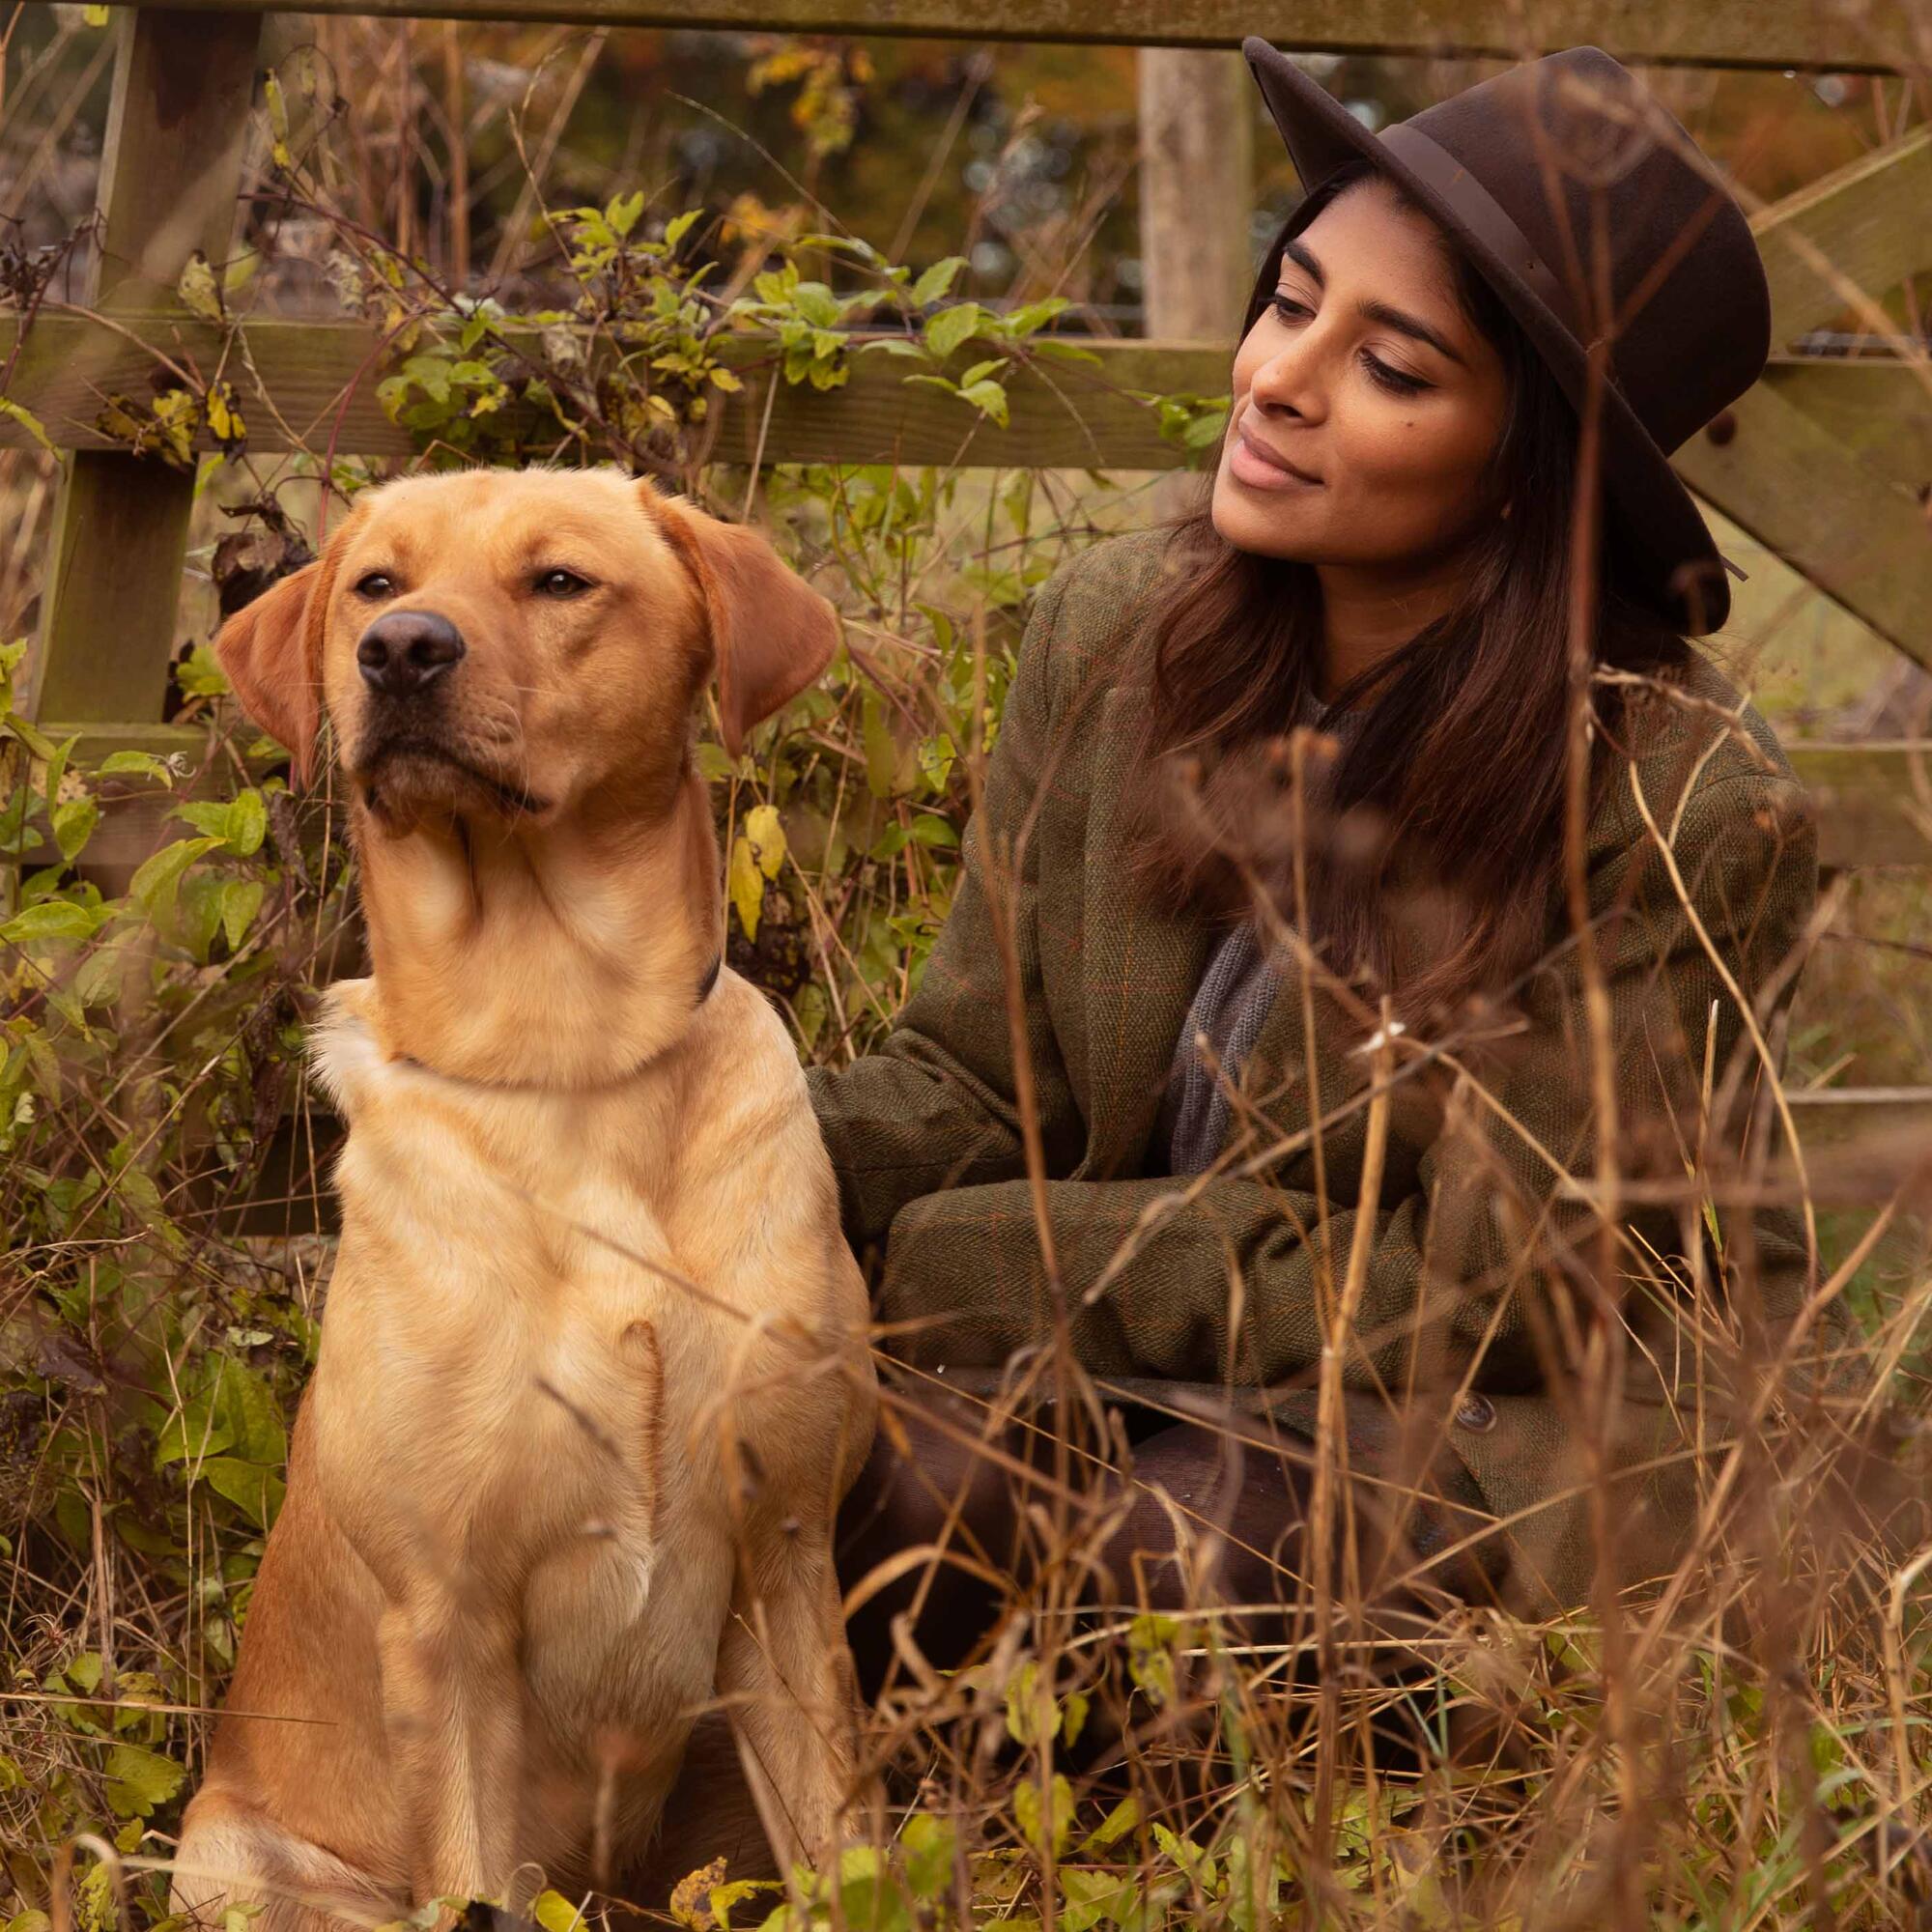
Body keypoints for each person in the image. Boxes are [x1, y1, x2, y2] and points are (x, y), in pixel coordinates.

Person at [809, 43, 1833, 1697]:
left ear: (1525, 465)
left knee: (1044, 1531)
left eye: (1395, 369)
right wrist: (689, 1141)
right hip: (1129, 1374)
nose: (1278, 379)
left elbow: (1480, 1303)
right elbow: (974, 1078)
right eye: (1291, 304)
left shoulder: (1676, 801)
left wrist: (997, 1262)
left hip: (1475, 1441)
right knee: (775, 1450)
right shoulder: (1117, 637)